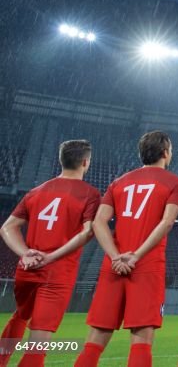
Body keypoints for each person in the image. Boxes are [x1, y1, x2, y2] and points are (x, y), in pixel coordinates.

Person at [75, 131, 178, 367]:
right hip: (146, 265)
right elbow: (166, 223)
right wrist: (136, 255)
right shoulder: (174, 182)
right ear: (165, 153)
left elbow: (99, 222)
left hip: (114, 266)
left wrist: (116, 256)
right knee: (142, 338)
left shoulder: (119, 181)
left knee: (95, 338)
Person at [0, 140, 100, 367]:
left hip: (26, 270)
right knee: (39, 341)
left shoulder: (36, 191)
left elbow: (7, 227)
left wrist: (25, 253)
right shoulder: (90, 194)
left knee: (21, 316)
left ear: (61, 160)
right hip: (55, 274)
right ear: (85, 163)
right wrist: (52, 256)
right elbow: (87, 233)